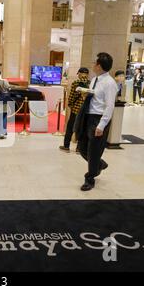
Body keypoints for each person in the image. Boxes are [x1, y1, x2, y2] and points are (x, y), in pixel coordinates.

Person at [77, 53, 119, 192]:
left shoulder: (110, 83)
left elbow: (109, 106)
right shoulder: (95, 79)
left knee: (93, 151)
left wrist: (101, 125)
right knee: (82, 148)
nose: (93, 64)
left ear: (99, 65)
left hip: (98, 119)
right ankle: (99, 164)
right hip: (88, 116)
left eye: (95, 62)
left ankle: (90, 178)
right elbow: (95, 97)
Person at [59, 68, 90, 153]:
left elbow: (71, 96)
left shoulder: (76, 83)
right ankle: (79, 148)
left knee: (70, 127)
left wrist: (70, 105)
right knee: (82, 128)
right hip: (85, 110)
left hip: (76, 109)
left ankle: (66, 146)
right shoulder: (90, 83)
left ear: (80, 74)